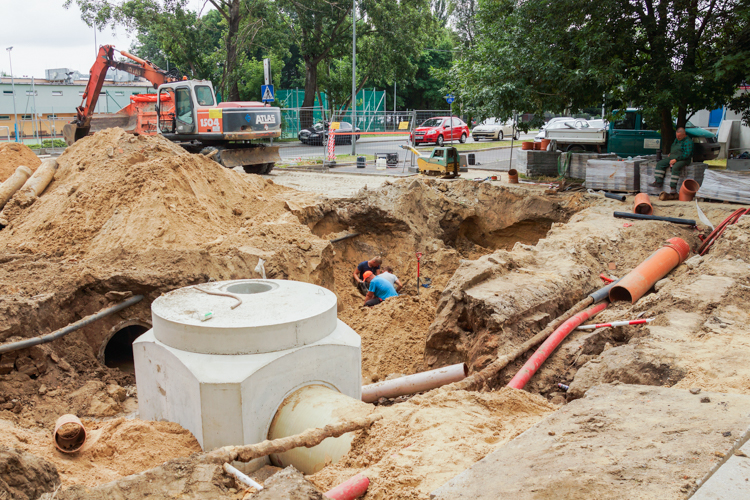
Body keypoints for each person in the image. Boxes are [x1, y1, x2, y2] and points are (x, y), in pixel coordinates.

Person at [650, 127, 693, 192]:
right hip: (672, 157)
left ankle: (673, 187)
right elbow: (675, 147)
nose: (678, 138)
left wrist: (676, 159)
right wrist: (671, 153)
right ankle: (658, 181)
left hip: (683, 159)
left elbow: (687, 154)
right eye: (677, 136)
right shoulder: (677, 139)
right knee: (660, 164)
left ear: (684, 134)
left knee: (675, 167)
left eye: (679, 136)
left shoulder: (688, 141)